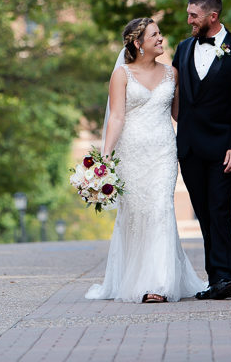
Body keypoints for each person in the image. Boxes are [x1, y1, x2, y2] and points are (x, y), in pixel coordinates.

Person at [85, 17, 208, 304]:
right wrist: (104, 158)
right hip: (132, 153)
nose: (161, 39)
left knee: (161, 209)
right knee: (137, 215)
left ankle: (159, 284)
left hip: (164, 151)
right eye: (154, 35)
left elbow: (180, 115)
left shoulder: (172, 74)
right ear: (138, 43)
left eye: (160, 34)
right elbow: (116, 117)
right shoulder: (122, 75)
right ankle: (135, 278)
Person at [172, 0, 231, 300]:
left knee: (220, 209)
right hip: (190, 148)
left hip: (224, 149)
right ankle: (214, 279)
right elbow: (175, 93)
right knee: (204, 212)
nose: (189, 20)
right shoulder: (181, 49)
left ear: (213, 16)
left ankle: (224, 278)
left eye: (193, 15)